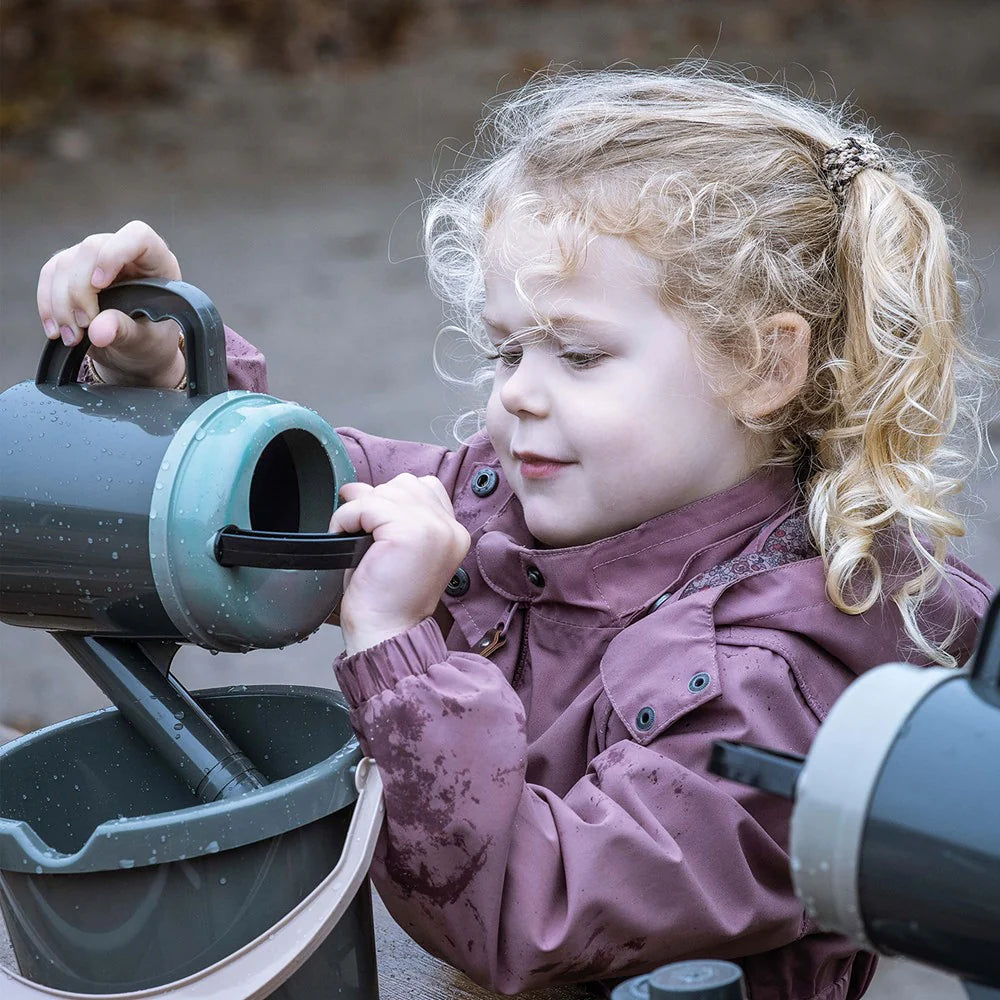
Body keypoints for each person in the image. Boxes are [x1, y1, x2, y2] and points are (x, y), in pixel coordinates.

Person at [36, 67, 994, 999]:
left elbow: (530, 918)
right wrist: (171, 379)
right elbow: (296, 501)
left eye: (577, 354)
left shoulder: (776, 677)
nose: (517, 394)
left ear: (761, 365)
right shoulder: (516, 501)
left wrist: (398, 649)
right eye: (507, 347)